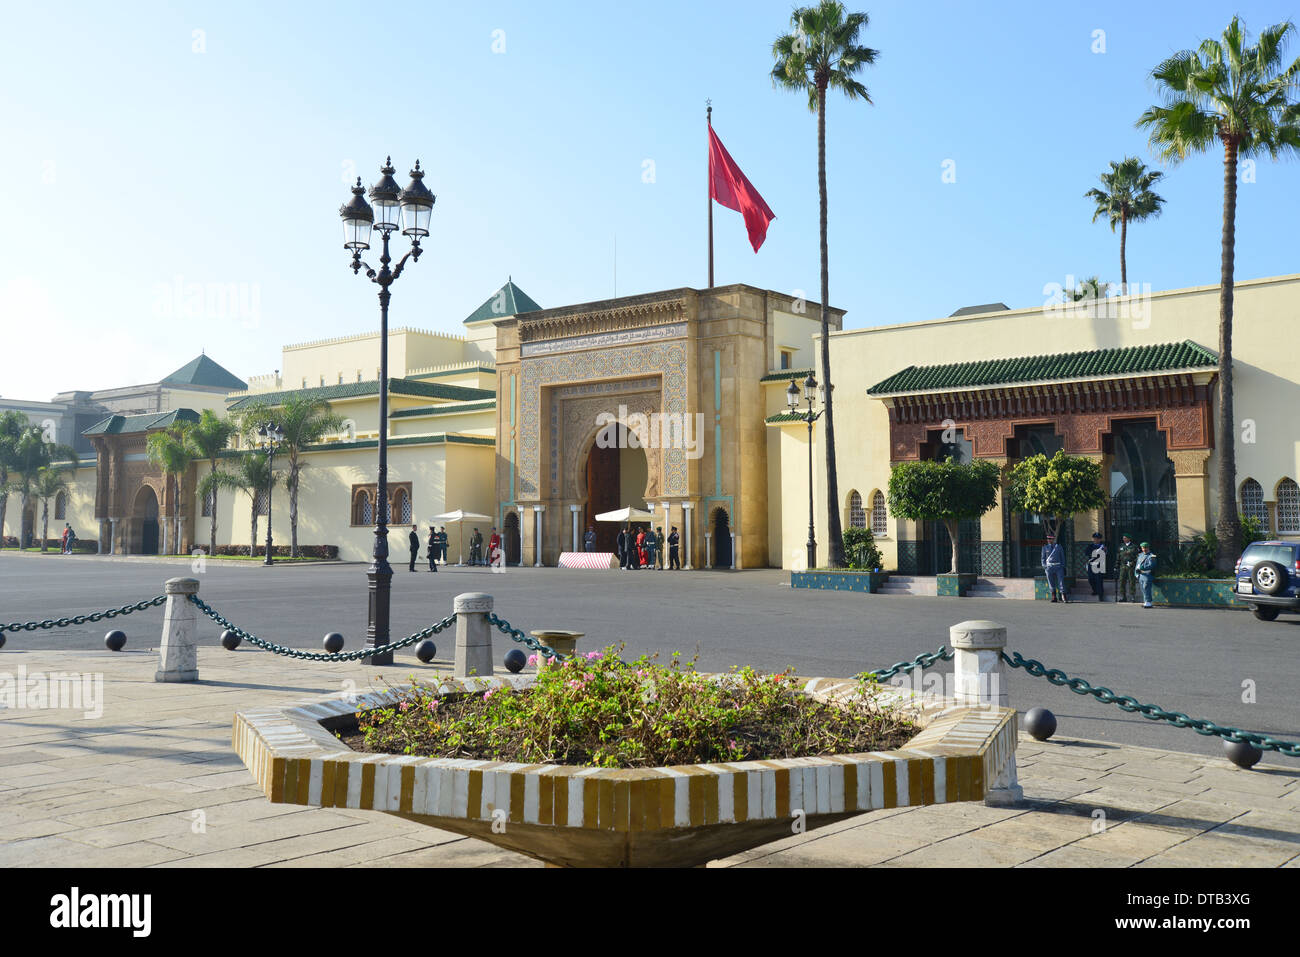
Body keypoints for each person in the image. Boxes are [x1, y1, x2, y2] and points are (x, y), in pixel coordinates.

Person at [1042, 532, 1067, 603]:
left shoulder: (1058, 547)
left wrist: (1063, 566)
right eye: (1048, 539)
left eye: (1050, 539)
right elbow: (1043, 558)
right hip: (1049, 567)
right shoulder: (1045, 547)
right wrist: (1045, 566)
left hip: (1058, 566)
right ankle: (1053, 596)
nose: (1049, 540)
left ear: (1053, 539)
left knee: (1061, 581)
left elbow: (1062, 557)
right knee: (1051, 581)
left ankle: (1063, 595)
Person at [1116, 534, 1138, 603]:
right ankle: (1123, 596)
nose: (1124, 539)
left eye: (1125, 538)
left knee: (1131, 581)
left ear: (1129, 538)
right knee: (1122, 581)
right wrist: (1116, 565)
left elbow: (1137, 557)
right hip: (1123, 566)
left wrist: (1133, 563)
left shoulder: (1134, 547)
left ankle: (1132, 596)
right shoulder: (1121, 546)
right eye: (1123, 538)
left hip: (1130, 566)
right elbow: (1118, 556)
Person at [1135, 542, 1157, 609]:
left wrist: (1142, 568)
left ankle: (1148, 602)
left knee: (1146, 588)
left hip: (1147, 574)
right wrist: (1136, 573)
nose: (1144, 549)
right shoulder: (1140, 555)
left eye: (1145, 548)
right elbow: (1137, 564)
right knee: (1142, 589)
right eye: (1142, 548)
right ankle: (1145, 601)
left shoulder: (1152, 556)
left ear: (1148, 548)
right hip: (1140, 574)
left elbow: (1151, 565)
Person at [1085, 532, 1107, 601]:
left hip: (1099, 565)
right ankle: (1095, 590)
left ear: (1100, 539)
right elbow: (1086, 553)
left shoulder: (1102, 546)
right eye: (1095, 538)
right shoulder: (1090, 546)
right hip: (1091, 564)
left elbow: (1104, 554)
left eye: (1097, 538)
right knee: (1090, 579)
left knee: (1099, 580)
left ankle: (1100, 594)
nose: (1096, 540)